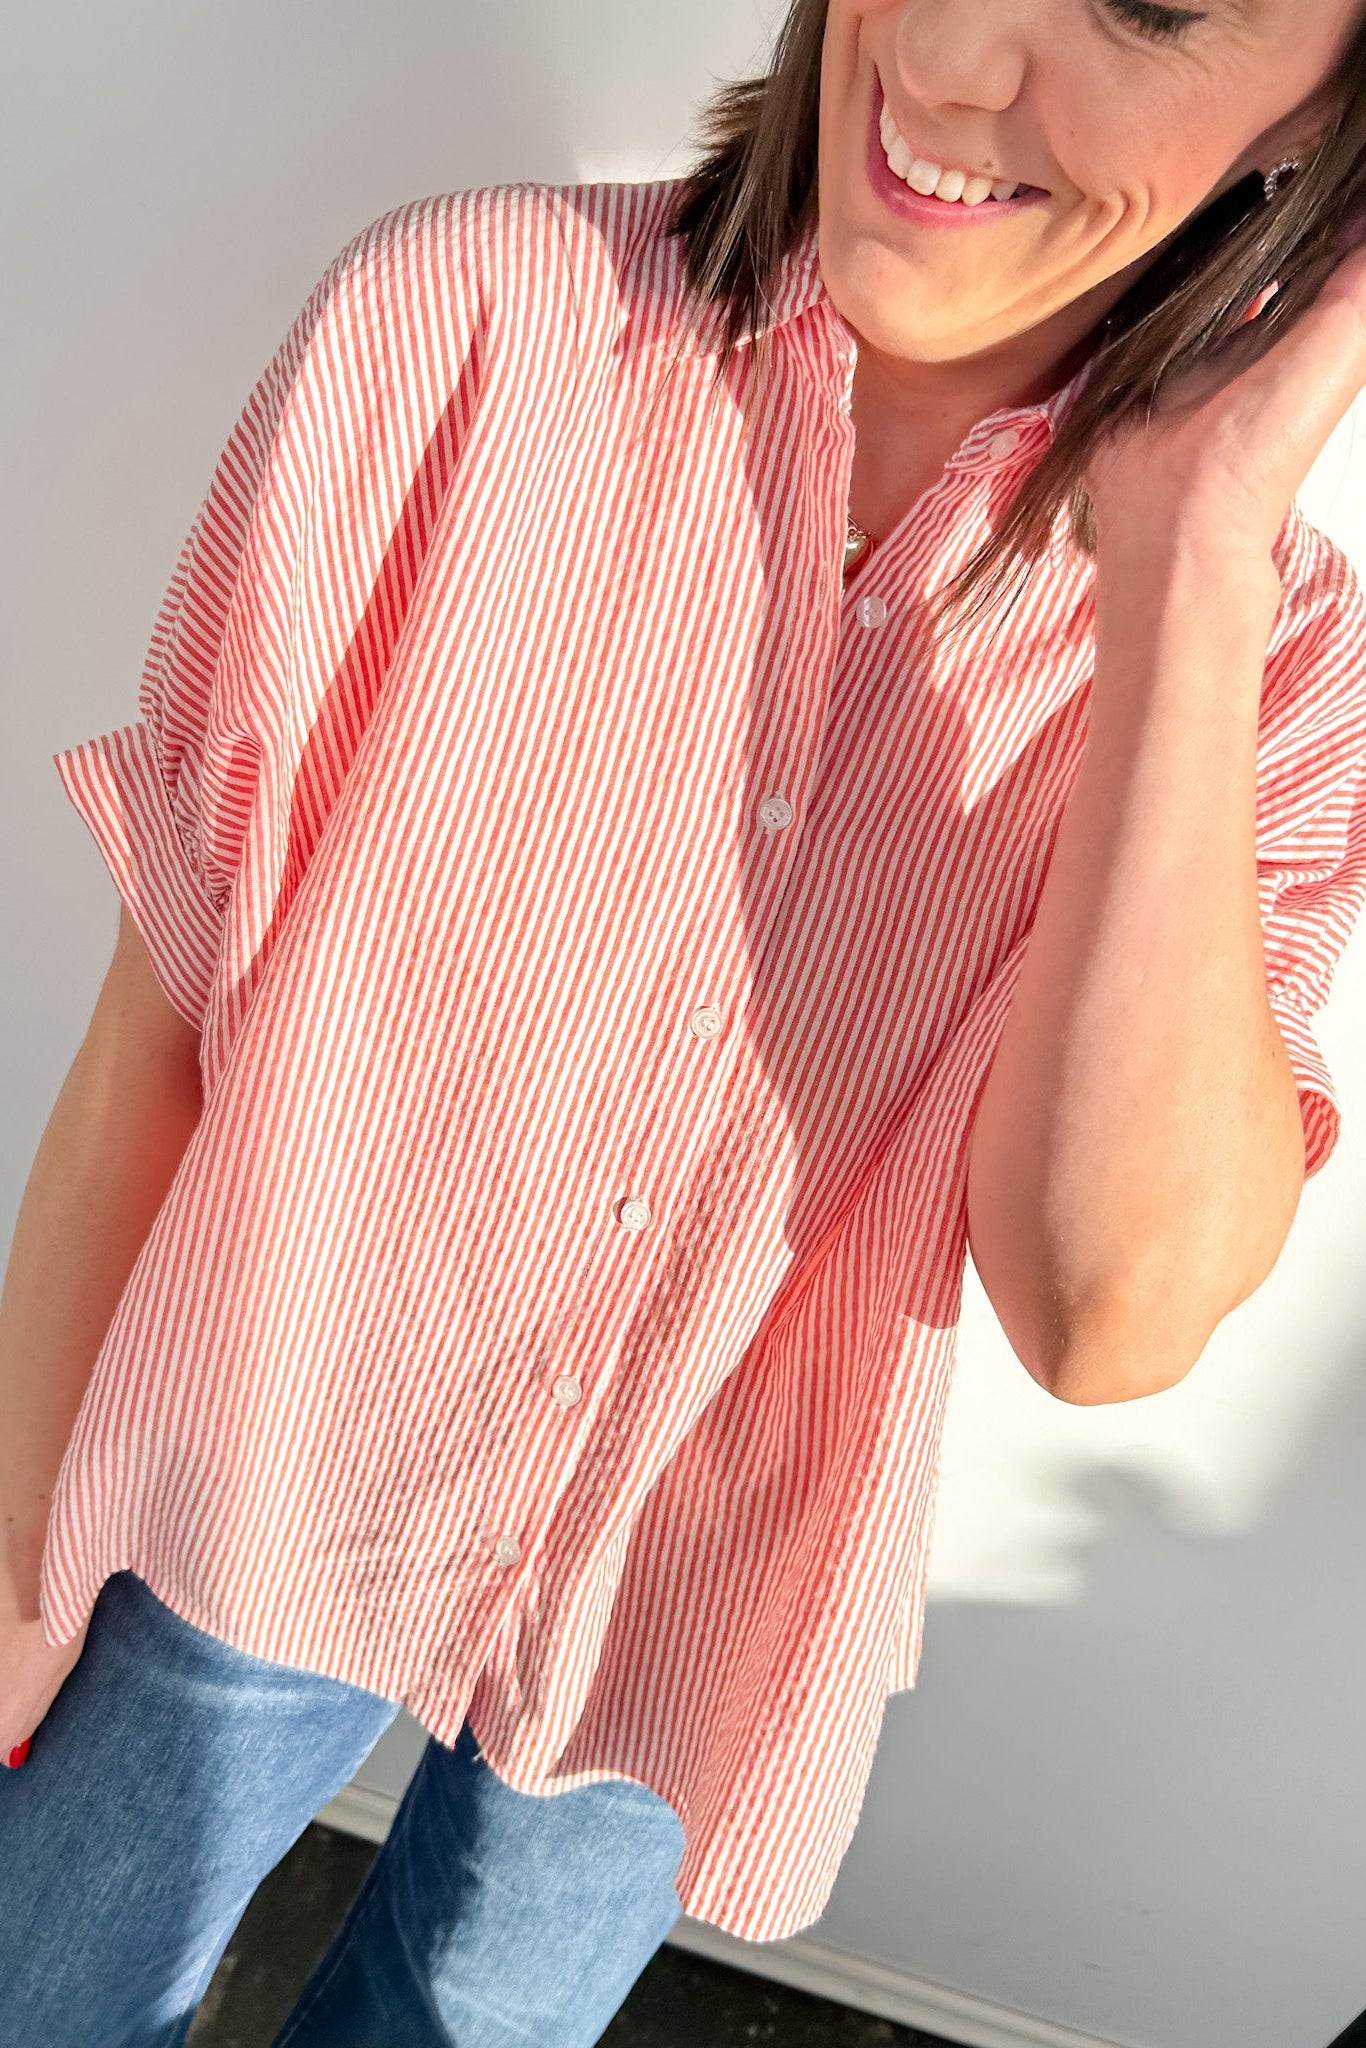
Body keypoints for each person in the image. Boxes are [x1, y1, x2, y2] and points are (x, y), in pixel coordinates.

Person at [7, 2, 1366, 2043]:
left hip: (693, 1610)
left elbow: (1107, 1313)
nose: (958, 49)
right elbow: (159, 1032)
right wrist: (15, 1579)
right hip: (248, 1460)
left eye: (1148, 0)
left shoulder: (1271, 662)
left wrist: (1189, 547)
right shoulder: (459, 323)